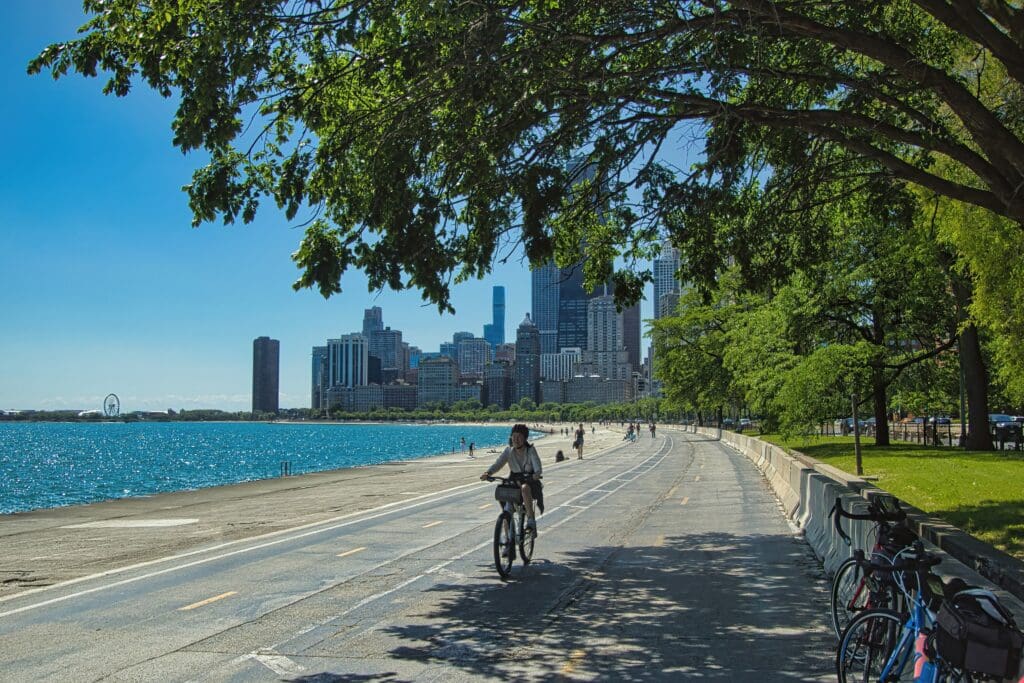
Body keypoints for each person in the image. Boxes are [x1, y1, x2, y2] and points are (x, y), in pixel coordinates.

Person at [480, 424, 544, 534]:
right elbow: (498, 463)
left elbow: (538, 468)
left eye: (519, 437)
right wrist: (488, 472)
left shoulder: (531, 451)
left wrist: (535, 475)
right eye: (514, 436)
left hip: (530, 482)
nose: (516, 439)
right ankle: (507, 541)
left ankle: (530, 521)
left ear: (525, 438)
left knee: (524, 488)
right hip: (514, 481)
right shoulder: (508, 451)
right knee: (506, 510)